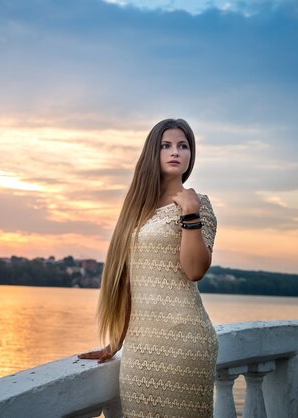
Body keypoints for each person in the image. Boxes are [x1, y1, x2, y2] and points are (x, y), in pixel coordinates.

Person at [77, 118, 219, 417]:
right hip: (140, 350)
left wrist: (190, 213)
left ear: (191, 155)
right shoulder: (137, 210)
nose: (175, 151)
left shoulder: (198, 204)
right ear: (152, 153)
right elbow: (131, 281)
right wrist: (117, 340)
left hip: (185, 343)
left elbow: (195, 270)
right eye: (166, 145)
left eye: (183, 146)